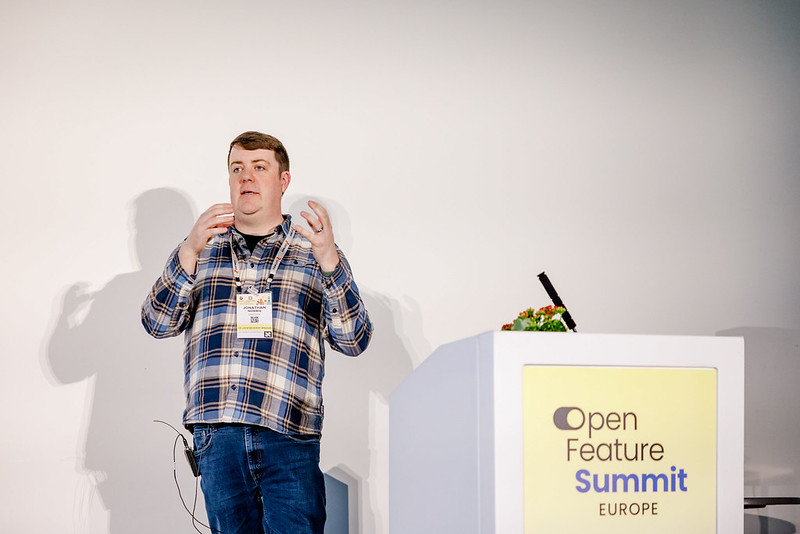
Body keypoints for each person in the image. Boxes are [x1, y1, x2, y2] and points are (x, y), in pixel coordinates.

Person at [141, 131, 373, 533]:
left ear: (283, 181)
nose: (246, 177)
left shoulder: (315, 252)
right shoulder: (200, 248)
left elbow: (354, 340)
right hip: (218, 434)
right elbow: (157, 324)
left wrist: (330, 261)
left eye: (259, 167)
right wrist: (188, 251)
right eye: (237, 169)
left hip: (289, 431)